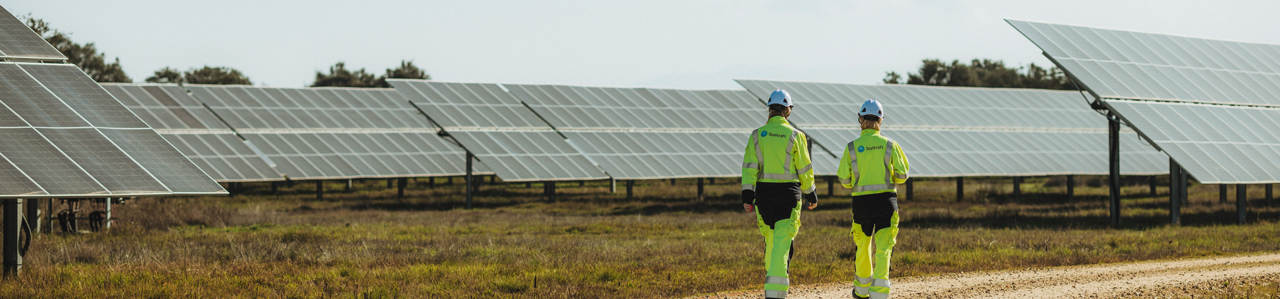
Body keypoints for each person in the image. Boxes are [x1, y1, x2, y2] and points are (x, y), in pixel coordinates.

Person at [741, 89, 818, 299]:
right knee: (782, 246)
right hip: (788, 196)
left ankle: (773, 288)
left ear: (770, 109)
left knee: (772, 242)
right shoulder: (796, 135)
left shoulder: (757, 135)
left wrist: (747, 196)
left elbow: (749, 167)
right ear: (788, 110)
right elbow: (804, 169)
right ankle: (775, 294)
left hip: (764, 197)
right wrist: (811, 195)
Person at [837, 99, 910, 299]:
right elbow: (903, 175)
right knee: (884, 249)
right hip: (886, 202)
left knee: (863, 247)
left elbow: (844, 179)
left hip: (861, 204)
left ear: (860, 119)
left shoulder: (852, 147)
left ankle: (861, 292)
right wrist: (890, 177)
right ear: (881, 120)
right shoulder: (890, 145)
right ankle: (879, 293)